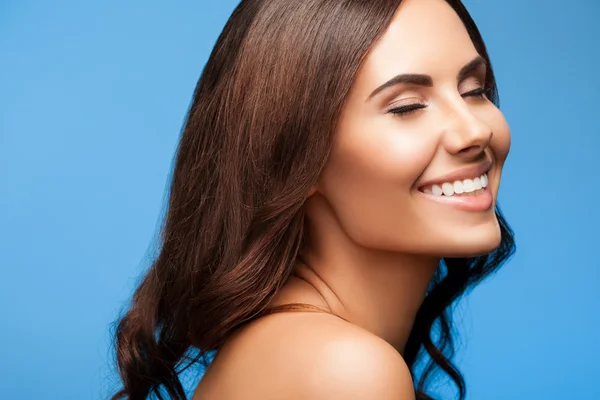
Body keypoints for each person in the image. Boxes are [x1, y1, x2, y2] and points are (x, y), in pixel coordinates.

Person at [110, 0, 515, 398]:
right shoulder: (345, 369)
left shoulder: (302, 347)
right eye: (407, 106)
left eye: (473, 90)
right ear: (293, 156)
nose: (474, 131)